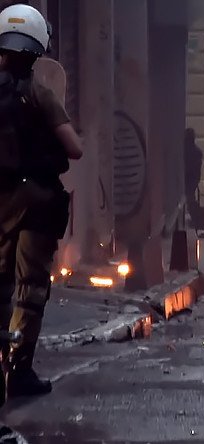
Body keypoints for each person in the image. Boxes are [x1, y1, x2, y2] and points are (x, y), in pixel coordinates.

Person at [0, 4, 82, 399]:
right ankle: (17, 371)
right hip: (34, 204)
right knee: (29, 286)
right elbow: (74, 148)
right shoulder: (38, 93)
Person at [183, 128, 203, 228]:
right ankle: (197, 219)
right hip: (194, 178)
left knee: (189, 199)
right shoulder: (197, 151)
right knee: (190, 199)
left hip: (187, 178)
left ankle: (197, 220)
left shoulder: (185, 151)